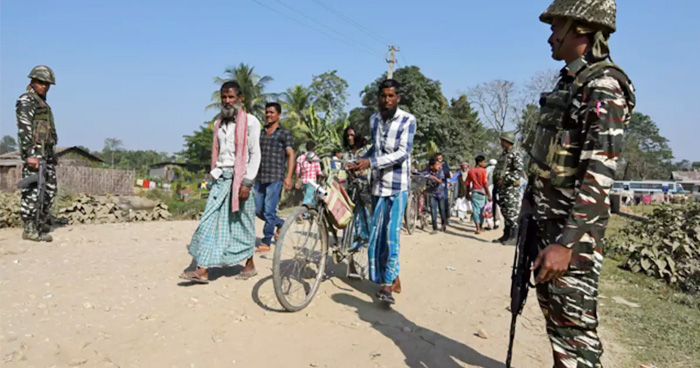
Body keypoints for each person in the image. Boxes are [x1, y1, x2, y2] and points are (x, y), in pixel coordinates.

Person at [522, 1, 636, 366]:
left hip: (571, 238)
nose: (551, 37)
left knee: (575, 337)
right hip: (549, 227)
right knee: (559, 330)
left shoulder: (603, 86)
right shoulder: (571, 81)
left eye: (557, 26)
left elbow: (598, 175)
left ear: (582, 29)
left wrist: (567, 244)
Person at [180, 81, 262, 284]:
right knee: (209, 221)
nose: (227, 101)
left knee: (242, 225)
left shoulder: (251, 122)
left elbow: (254, 153)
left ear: (240, 99)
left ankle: (249, 264)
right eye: (224, 97)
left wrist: (247, 182)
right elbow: (218, 154)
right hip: (221, 179)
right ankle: (203, 270)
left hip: (241, 179)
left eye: (231, 97)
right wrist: (213, 175)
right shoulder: (219, 123)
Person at [347, 79, 416, 305]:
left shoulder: (408, 120)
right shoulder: (375, 119)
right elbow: (375, 149)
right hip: (377, 186)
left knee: (391, 234)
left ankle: (386, 287)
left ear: (398, 98)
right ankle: (391, 277)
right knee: (377, 236)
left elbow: (402, 153)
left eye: (391, 96)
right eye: (383, 96)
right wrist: (360, 161)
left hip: (397, 187)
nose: (386, 100)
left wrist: (371, 163)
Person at [16, 65, 58, 242]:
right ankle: (30, 228)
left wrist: (51, 154)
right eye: (41, 83)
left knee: (49, 189)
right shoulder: (26, 101)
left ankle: (41, 222)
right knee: (33, 191)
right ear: (32, 82)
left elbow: (47, 131)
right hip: (34, 153)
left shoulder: (43, 104)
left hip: (45, 153)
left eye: (47, 84)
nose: (44, 86)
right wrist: (29, 154)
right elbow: (25, 130)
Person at [254, 102, 295, 253]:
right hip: (260, 176)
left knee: (269, 210)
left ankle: (266, 240)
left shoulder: (284, 133)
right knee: (258, 210)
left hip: (276, 176)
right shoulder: (260, 132)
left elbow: (291, 155)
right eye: (267, 112)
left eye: (271, 112)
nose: (268, 115)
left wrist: (289, 176)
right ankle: (280, 223)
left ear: (278, 115)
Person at [492, 131, 524, 245]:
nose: (501, 142)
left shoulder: (515, 154)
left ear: (508, 142)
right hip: (502, 189)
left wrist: (505, 179)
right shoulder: (504, 154)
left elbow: (518, 172)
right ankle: (506, 235)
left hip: (511, 189)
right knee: (505, 212)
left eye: (503, 141)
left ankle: (514, 237)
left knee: (512, 213)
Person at [465, 156, 491, 234]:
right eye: (483, 162)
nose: (484, 163)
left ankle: (477, 228)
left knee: (475, 211)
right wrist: (489, 194)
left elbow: (467, 183)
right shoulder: (483, 171)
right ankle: (481, 226)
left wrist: (467, 193)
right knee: (482, 210)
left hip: (474, 192)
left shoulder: (470, 171)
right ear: (479, 163)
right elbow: (485, 183)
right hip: (483, 193)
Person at [422, 157, 448, 234]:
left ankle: (443, 224)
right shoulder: (428, 171)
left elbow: (440, 181)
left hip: (440, 193)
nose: (438, 166)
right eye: (436, 165)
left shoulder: (441, 172)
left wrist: (433, 177)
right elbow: (423, 174)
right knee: (433, 211)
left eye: (438, 165)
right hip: (432, 194)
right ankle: (435, 228)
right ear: (431, 166)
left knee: (442, 209)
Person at [295, 141, 323, 206]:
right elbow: (318, 172)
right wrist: (323, 175)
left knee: (311, 197)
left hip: (303, 181)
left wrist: (296, 182)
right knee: (308, 199)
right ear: (312, 148)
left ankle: (311, 213)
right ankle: (305, 214)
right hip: (312, 181)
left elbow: (297, 171)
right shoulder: (315, 158)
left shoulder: (300, 157)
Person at [485, 158, 500, 229]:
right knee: (497, 205)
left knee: (488, 205)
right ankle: (497, 221)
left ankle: (489, 222)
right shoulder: (499, 170)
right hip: (497, 189)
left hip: (489, 188)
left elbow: (485, 180)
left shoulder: (487, 169)